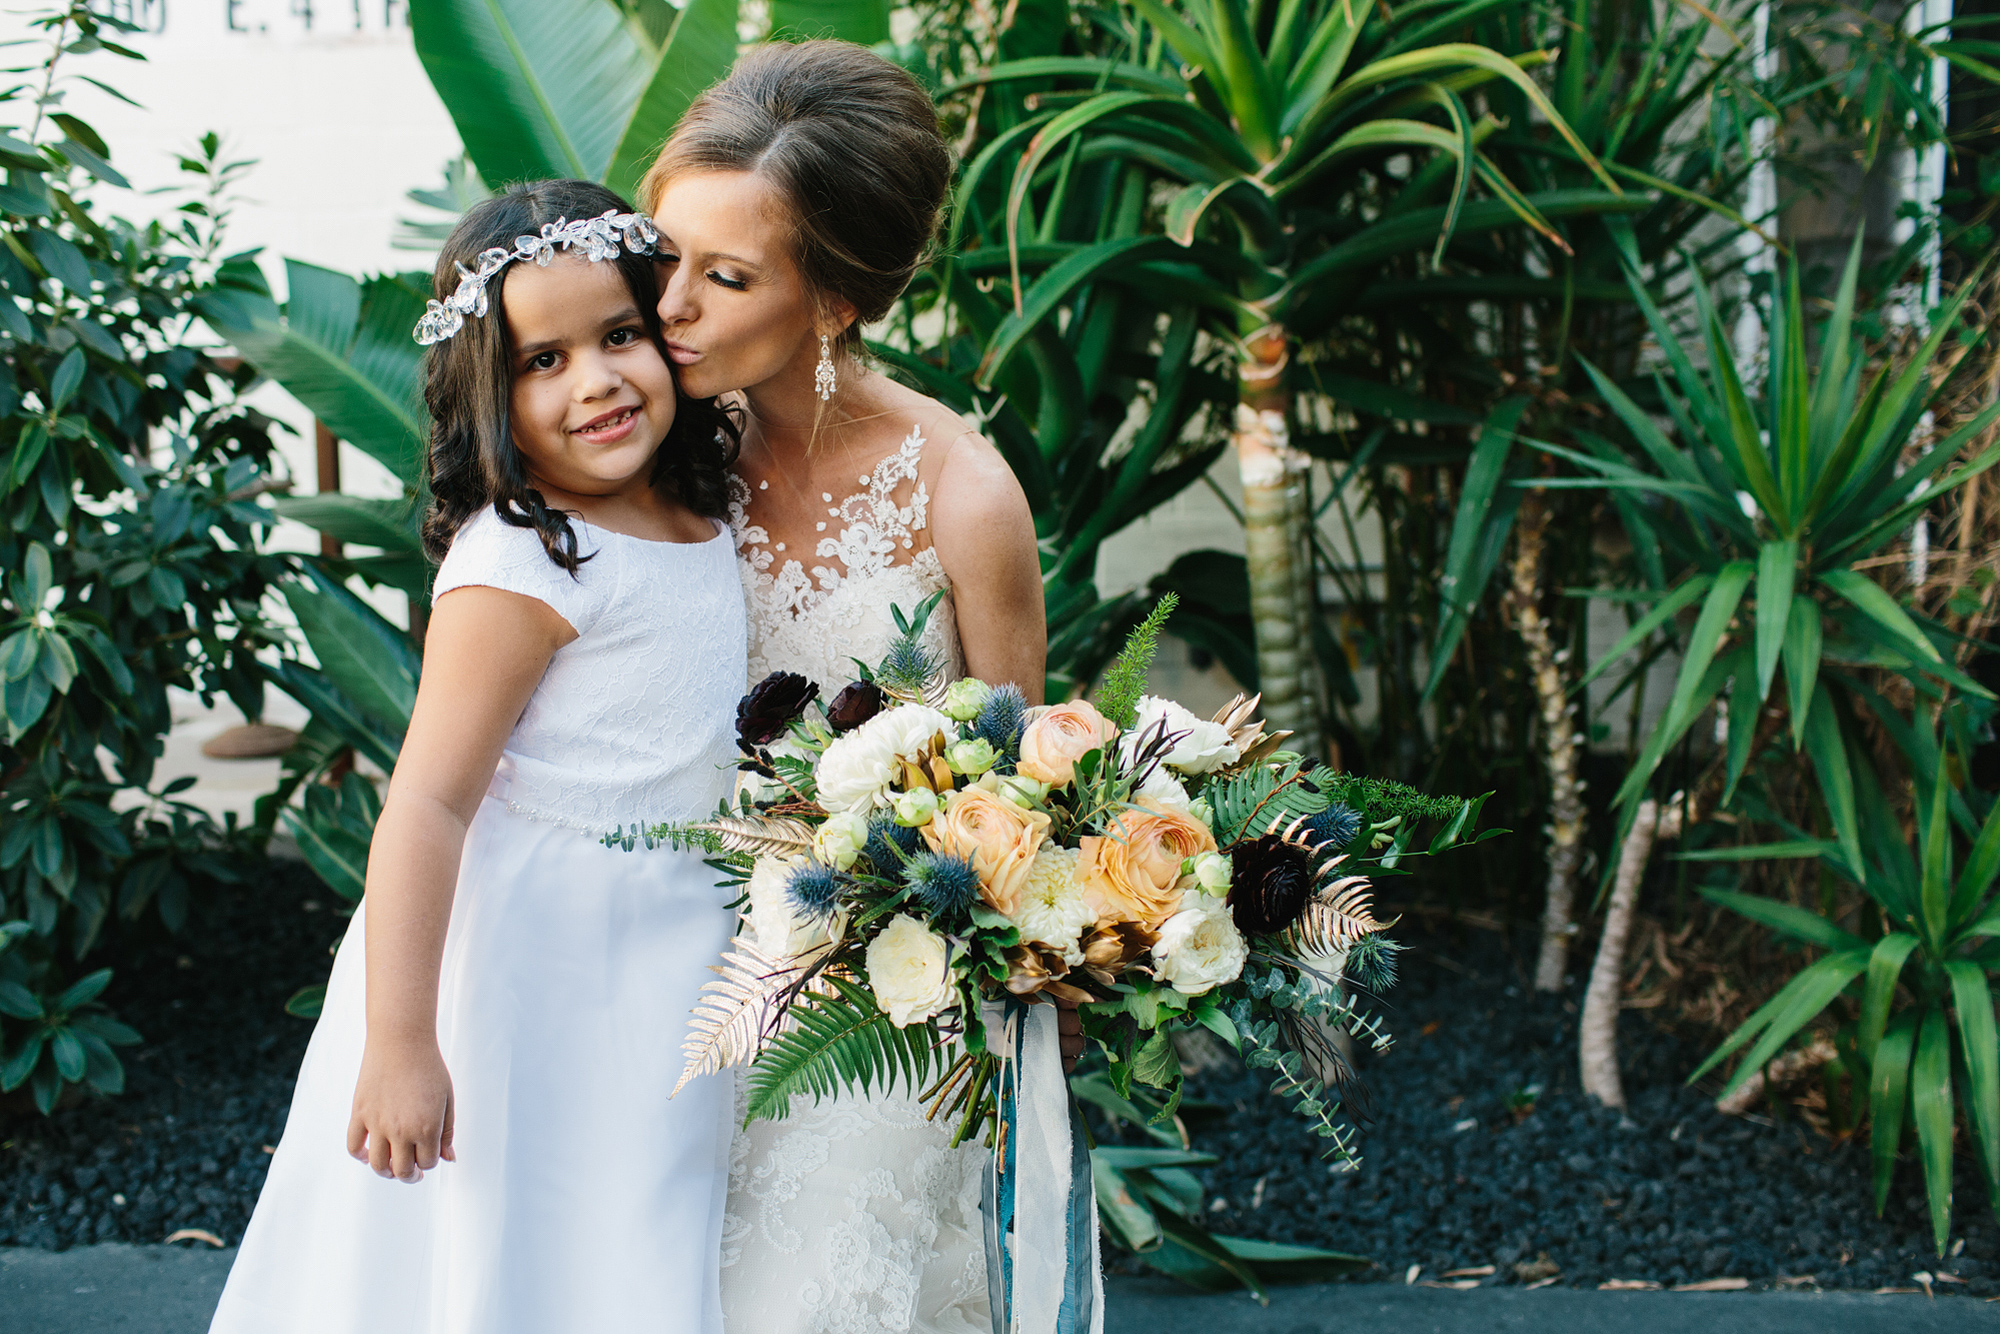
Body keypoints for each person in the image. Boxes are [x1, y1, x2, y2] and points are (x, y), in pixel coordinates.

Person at [210, 179, 746, 1334]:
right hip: (531, 955)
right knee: (513, 1231)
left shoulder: (707, 508)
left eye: (617, 335)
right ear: (488, 397)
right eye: (540, 360)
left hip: (678, 945)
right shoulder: (521, 558)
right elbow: (429, 805)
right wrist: (401, 1042)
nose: (595, 381)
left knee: (633, 1228)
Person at [641, 40, 1078, 1334]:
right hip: (656, 971)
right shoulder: (644, 458)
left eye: (723, 278)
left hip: (874, 1007)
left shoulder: (964, 494)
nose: (670, 307)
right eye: (660, 258)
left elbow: (1020, 810)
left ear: (831, 302)